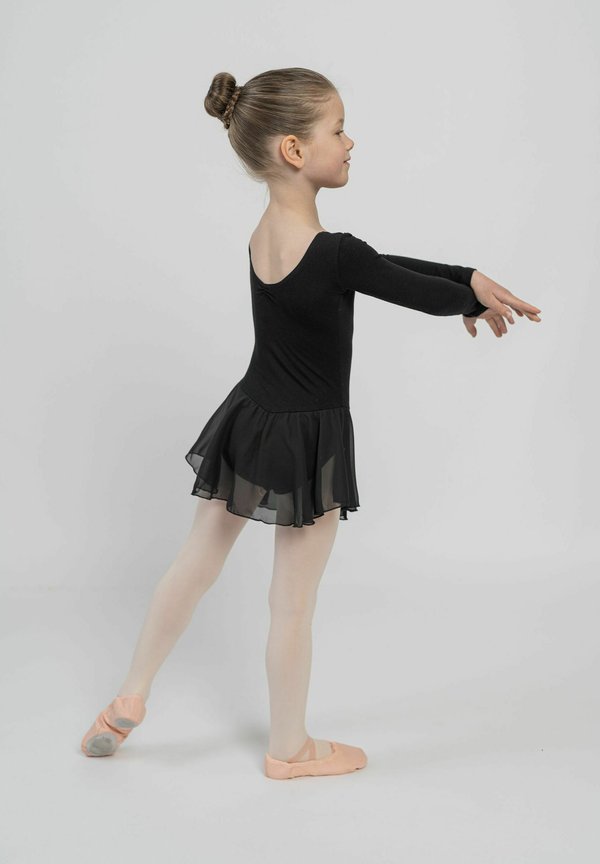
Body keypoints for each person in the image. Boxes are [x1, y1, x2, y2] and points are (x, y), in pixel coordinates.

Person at [80, 67, 542, 780]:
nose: (351, 142)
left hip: (250, 415)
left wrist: (466, 278)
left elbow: (375, 266)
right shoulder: (333, 252)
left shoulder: (267, 234)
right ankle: (290, 749)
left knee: (194, 564)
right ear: (295, 150)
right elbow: (399, 284)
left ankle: (128, 698)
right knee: (292, 604)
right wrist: (468, 293)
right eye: (339, 129)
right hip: (307, 438)